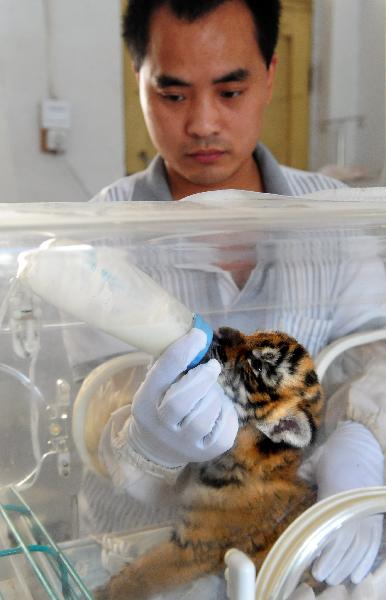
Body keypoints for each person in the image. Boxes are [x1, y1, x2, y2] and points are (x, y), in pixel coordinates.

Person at [74, 0, 386, 595]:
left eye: (230, 91)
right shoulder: (99, 242)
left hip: (296, 558)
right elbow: (87, 406)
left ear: (269, 75)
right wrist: (143, 443)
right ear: (137, 77)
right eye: (172, 94)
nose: (202, 123)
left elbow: (377, 356)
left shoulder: (333, 223)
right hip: (150, 565)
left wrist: (365, 438)